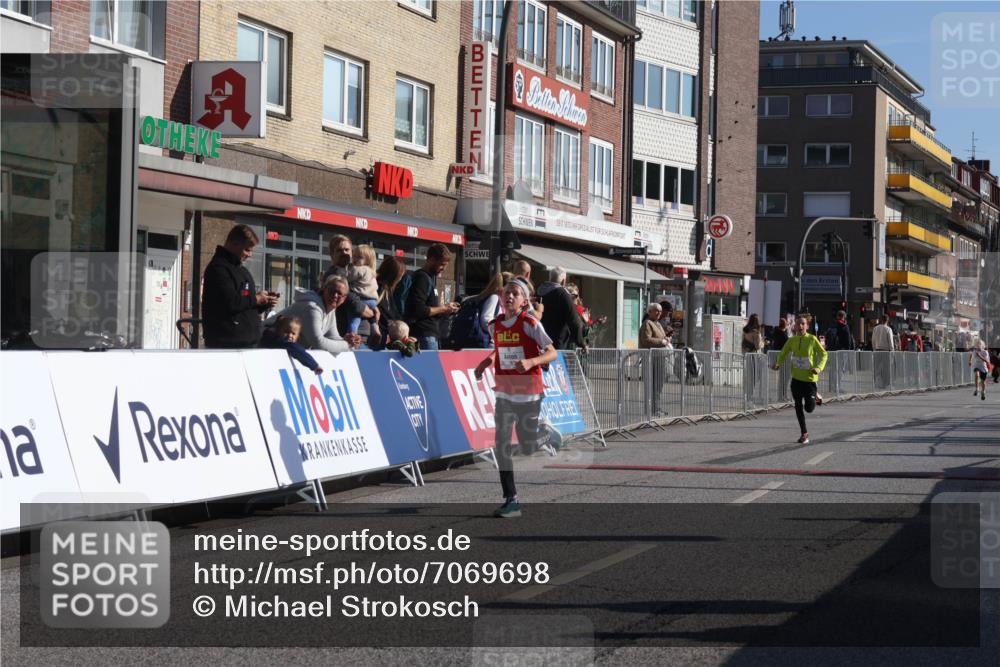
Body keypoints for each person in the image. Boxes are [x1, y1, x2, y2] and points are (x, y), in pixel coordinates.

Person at [473, 278, 557, 518]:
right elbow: (498, 350)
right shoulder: (495, 325)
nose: (509, 297)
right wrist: (486, 361)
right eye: (506, 293)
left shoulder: (530, 323)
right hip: (505, 391)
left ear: (524, 301)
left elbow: (552, 352)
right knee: (502, 445)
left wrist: (531, 361)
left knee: (527, 445)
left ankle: (542, 436)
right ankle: (512, 499)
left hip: (529, 390)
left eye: (515, 294)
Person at [201, 224, 278, 348]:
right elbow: (231, 302)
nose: (250, 254)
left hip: (246, 343)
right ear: (234, 244)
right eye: (247, 249)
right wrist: (256, 299)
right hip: (227, 345)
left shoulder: (241, 270)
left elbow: (244, 305)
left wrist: (264, 303)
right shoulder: (218, 268)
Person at [772, 313, 828, 445]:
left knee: (809, 408)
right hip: (796, 379)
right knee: (798, 406)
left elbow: (824, 354)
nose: (801, 326)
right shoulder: (792, 340)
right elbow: (783, 352)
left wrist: (819, 368)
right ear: (795, 326)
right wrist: (778, 363)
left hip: (809, 380)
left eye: (803, 324)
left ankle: (816, 396)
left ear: (807, 326)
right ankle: (804, 433)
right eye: (798, 324)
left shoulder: (812, 339)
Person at [273, 276, 362, 355]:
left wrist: (349, 340)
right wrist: (347, 344)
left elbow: (332, 337)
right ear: (324, 290)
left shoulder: (330, 310)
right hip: (265, 345)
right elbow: (318, 342)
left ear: (344, 298)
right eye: (332, 291)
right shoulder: (312, 308)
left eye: (339, 293)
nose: (335, 295)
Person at [321, 234, 377, 347]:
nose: (344, 253)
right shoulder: (333, 276)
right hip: (346, 336)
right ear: (332, 255)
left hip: (363, 336)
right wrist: (372, 314)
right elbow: (356, 305)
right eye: (339, 250)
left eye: (347, 250)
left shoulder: (358, 270)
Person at [405, 243, 460, 350]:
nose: (443, 269)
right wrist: (444, 308)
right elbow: (419, 309)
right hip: (423, 334)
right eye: (442, 264)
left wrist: (446, 309)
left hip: (430, 334)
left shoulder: (429, 279)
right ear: (431, 259)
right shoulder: (422, 278)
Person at [538, 267, 585, 351]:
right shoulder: (562, 294)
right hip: (557, 343)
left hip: (540, 340)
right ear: (564, 281)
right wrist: (581, 343)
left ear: (550, 278)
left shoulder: (539, 291)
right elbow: (573, 320)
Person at [640, 303, 672, 417]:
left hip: (660, 358)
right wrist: (661, 342)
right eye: (656, 310)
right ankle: (651, 409)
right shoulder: (647, 323)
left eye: (660, 311)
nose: (659, 313)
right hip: (651, 359)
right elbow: (646, 340)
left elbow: (661, 338)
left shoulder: (657, 324)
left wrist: (666, 339)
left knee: (658, 385)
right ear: (650, 312)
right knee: (652, 385)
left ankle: (656, 408)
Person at [344, 244, 380, 339]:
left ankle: (353, 335)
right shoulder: (372, 272)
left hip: (361, 299)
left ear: (368, 260)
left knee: (354, 320)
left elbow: (347, 278)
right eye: (354, 256)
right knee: (373, 318)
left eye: (359, 257)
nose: (355, 259)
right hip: (373, 301)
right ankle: (375, 327)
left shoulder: (358, 269)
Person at [373, 255, 407, 349]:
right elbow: (385, 313)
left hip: (382, 338)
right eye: (400, 276)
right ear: (394, 275)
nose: (400, 279)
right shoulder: (378, 288)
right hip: (376, 337)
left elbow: (394, 314)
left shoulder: (387, 291)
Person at [872, 314, 895, 390]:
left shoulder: (875, 328)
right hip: (886, 351)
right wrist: (892, 351)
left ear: (881, 320)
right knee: (886, 368)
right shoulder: (888, 329)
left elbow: (873, 340)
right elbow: (891, 342)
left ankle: (875, 382)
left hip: (877, 350)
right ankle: (885, 384)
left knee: (876, 368)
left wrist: (874, 349)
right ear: (887, 320)